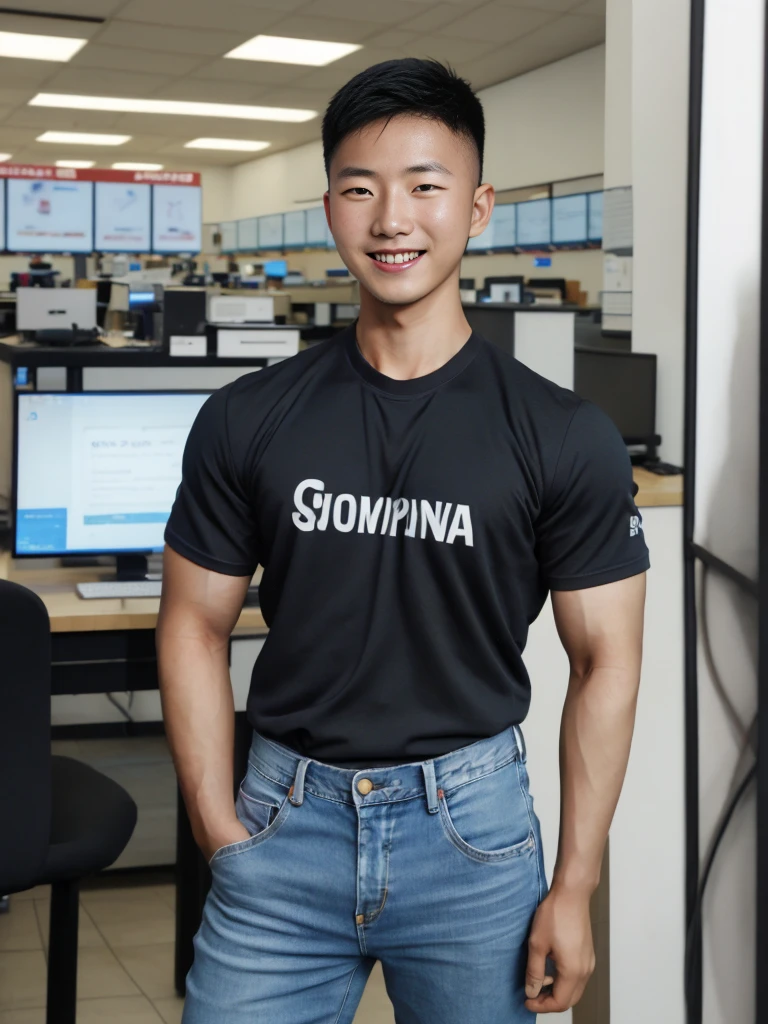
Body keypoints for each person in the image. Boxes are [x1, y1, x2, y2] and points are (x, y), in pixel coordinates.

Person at [157, 58, 649, 1023]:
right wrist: (221, 831)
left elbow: (607, 662)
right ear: (331, 206)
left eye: (427, 186)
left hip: (472, 832)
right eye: (362, 188)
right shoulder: (247, 417)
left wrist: (577, 886)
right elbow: (191, 626)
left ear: (476, 208)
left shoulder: (561, 433)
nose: (393, 218)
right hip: (283, 817)